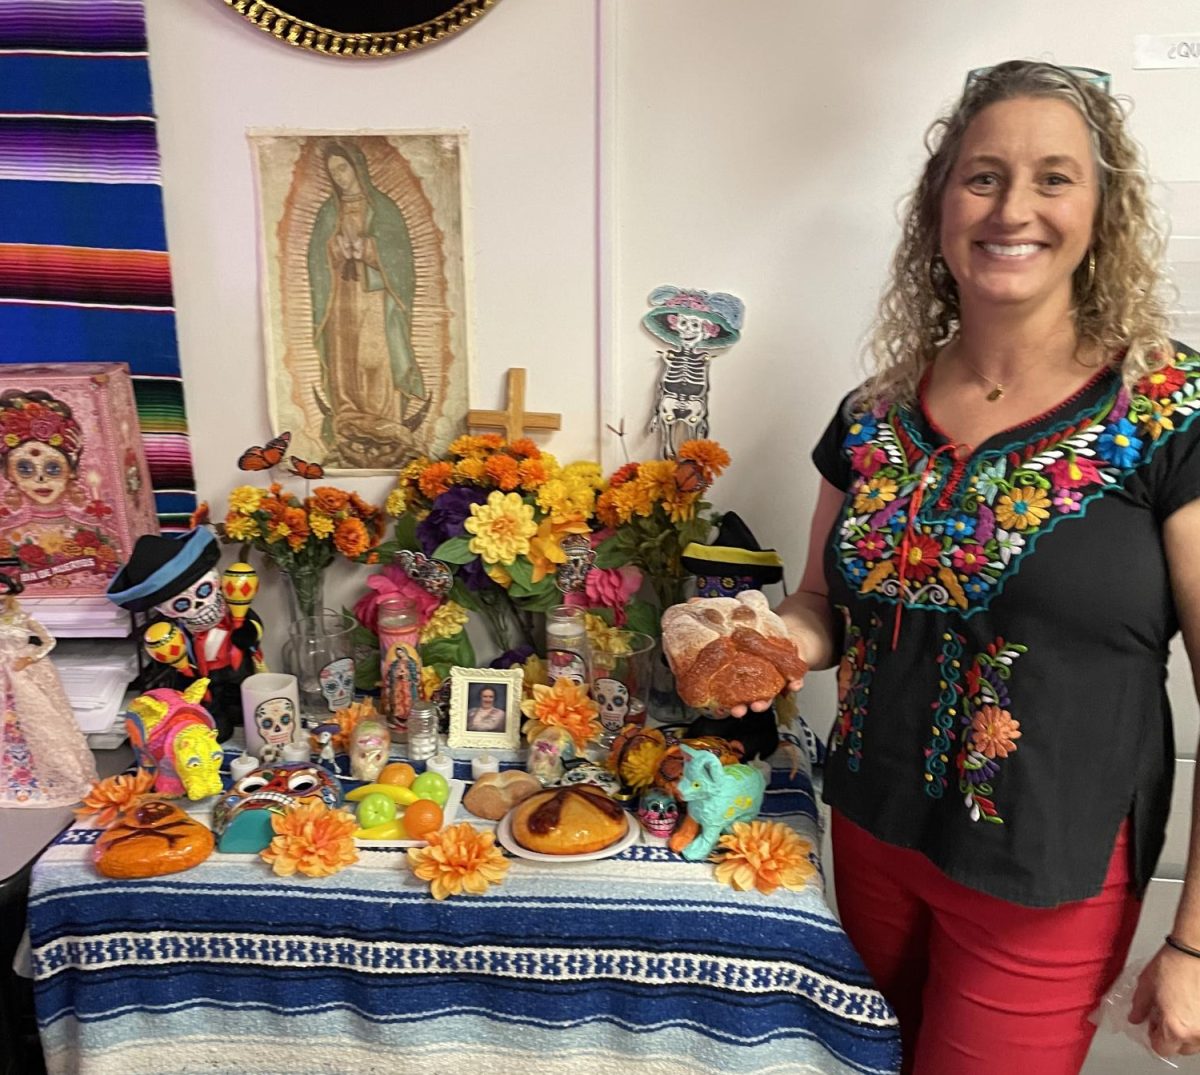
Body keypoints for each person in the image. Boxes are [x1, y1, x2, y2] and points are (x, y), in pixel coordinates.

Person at [743, 61, 1200, 1071]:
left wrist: (1196, 942)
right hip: (871, 835)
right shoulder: (872, 415)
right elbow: (825, 606)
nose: (1014, 207)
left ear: (1103, 209)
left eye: (1054, 177)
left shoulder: (1168, 411)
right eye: (983, 176)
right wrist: (765, 637)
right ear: (939, 208)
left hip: (1044, 872)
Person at [307, 141, 427, 469]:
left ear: (357, 167)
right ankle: (349, 416)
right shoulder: (327, 213)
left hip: (375, 297)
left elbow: (401, 260)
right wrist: (335, 249)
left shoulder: (384, 209)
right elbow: (316, 259)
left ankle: (385, 419)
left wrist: (370, 250)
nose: (340, 177)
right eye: (333, 172)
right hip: (341, 298)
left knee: (375, 356)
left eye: (343, 168)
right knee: (345, 358)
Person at [0, 571, 97, 806]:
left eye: (2, 599)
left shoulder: (22, 618)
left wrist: (30, 659)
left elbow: (48, 641)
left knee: (41, 721)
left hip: (21, 672)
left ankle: (57, 774)